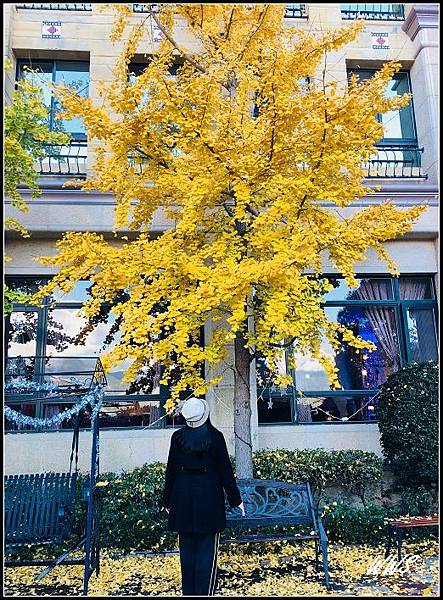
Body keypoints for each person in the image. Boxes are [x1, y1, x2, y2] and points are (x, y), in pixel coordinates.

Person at [161, 397, 245, 596]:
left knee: (187, 555)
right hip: (209, 500)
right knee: (207, 554)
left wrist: (166, 501)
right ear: (204, 416)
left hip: (181, 499)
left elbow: (170, 470)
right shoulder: (215, 437)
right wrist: (236, 500)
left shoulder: (177, 437)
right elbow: (225, 472)